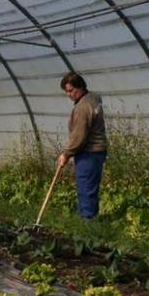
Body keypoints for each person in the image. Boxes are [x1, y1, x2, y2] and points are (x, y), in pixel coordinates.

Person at [57, 72, 108, 220]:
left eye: (71, 90)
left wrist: (66, 154)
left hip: (89, 152)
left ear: (80, 87)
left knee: (86, 188)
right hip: (97, 151)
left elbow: (79, 136)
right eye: (66, 91)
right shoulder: (93, 98)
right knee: (90, 187)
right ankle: (88, 218)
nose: (68, 94)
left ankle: (88, 222)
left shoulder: (82, 107)